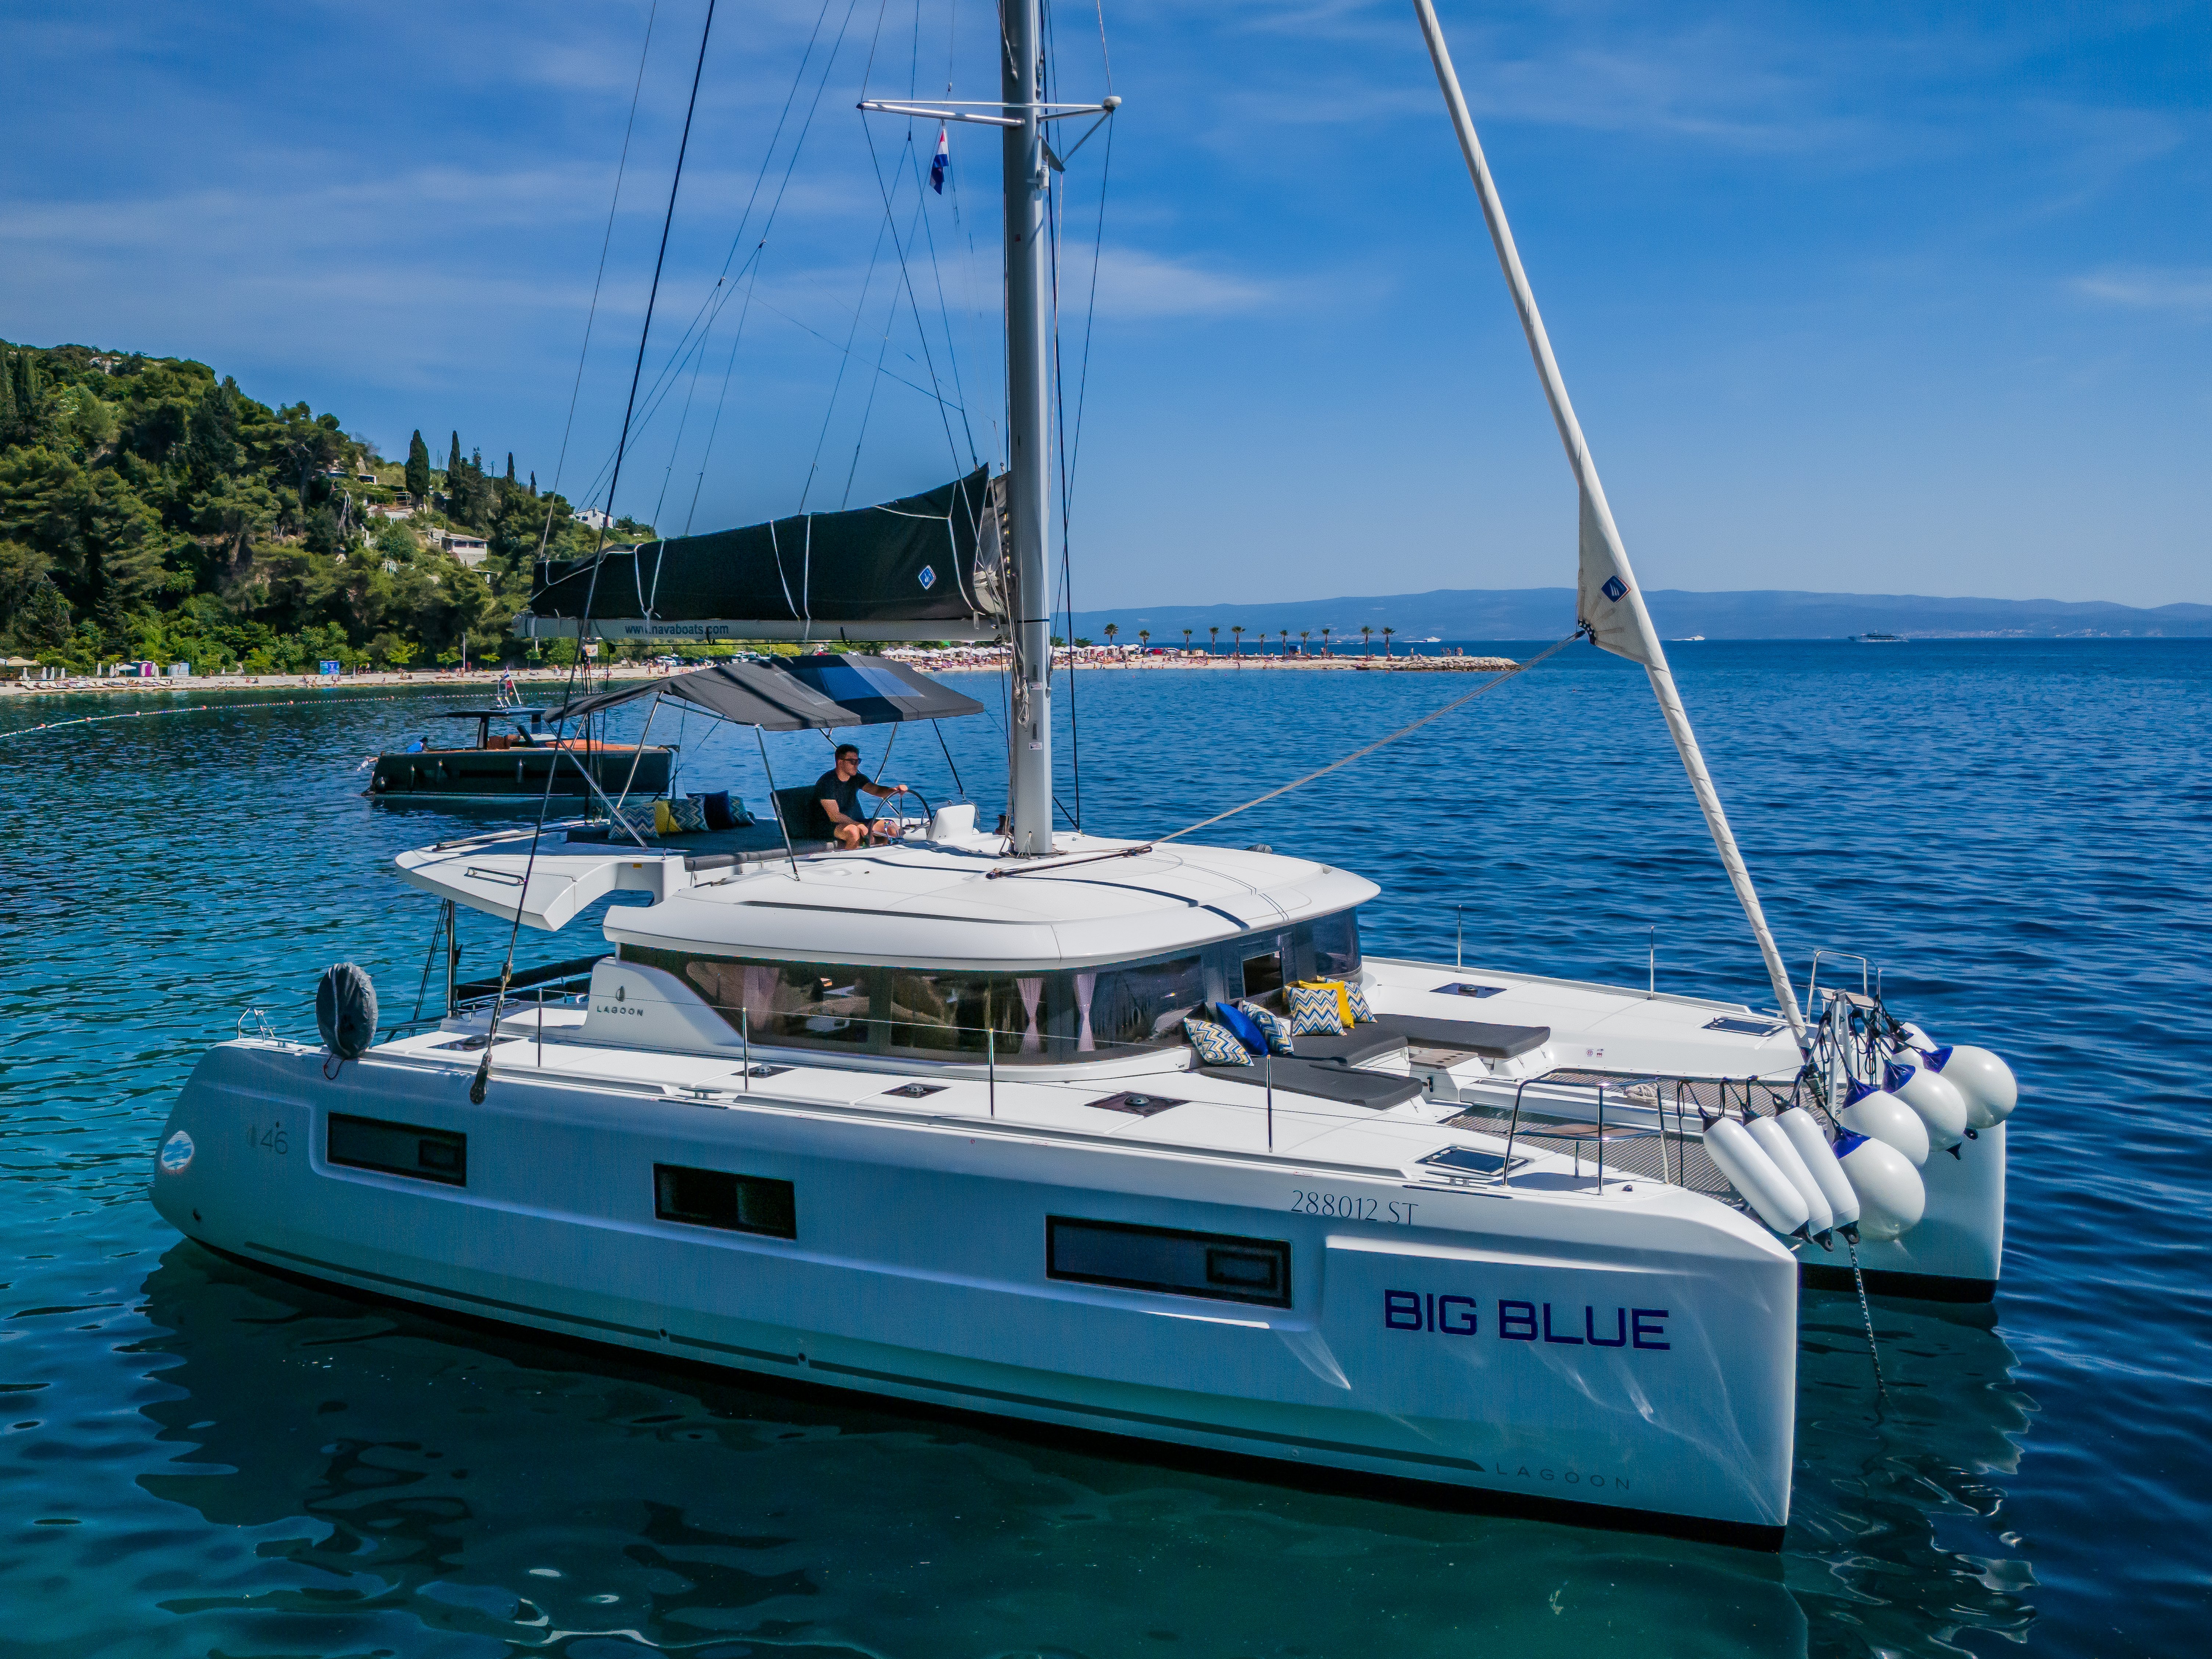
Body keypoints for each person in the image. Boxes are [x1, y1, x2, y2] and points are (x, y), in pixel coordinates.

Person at [811, 743, 909, 848]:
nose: (856, 765)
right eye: (853, 762)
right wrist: (859, 825)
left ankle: (883, 856)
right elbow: (835, 816)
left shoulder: (857, 778)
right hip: (828, 826)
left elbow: (876, 790)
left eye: (858, 761)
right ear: (840, 762)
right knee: (854, 831)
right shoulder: (827, 782)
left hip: (854, 821)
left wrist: (895, 790)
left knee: (890, 826)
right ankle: (851, 861)